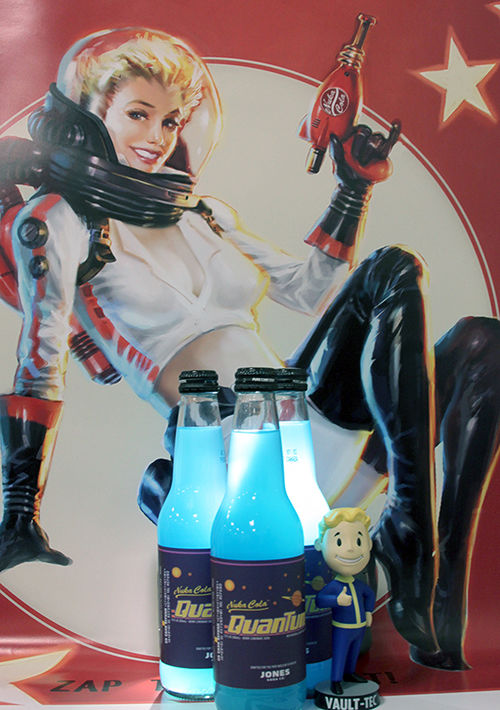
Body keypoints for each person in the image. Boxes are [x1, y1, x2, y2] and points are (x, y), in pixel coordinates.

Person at [0, 28, 498, 674]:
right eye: (139, 114)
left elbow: (310, 289)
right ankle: (408, 531)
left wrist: (352, 189)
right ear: (85, 117)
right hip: (235, 460)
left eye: (171, 120)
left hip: (309, 425)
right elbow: (40, 358)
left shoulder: (199, 213)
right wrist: (20, 507)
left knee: (483, 341)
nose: (157, 137)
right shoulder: (58, 222)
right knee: (392, 269)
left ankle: (434, 575)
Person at [315, 507, 375, 695]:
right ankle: (336, 680)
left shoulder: (359, 585)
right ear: (320, 545)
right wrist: (336, 600)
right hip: (342, 628)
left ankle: (350, 673)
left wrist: (368, 611)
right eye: (339, 541)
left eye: (358, 541)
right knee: (340, 653)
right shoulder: (334, 586)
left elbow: (370, 595)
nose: (350, 548)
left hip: (360, 627)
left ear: (369, 544)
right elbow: (320, 600)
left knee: (354, 652)